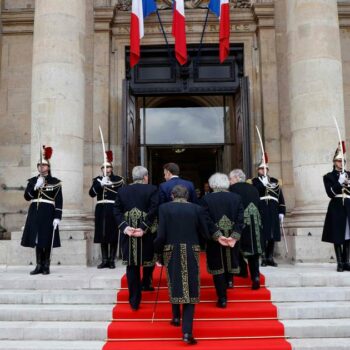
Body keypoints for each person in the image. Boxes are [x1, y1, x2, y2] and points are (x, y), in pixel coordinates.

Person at [154, 185, 212, 345]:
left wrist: (157, 251)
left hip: (170, 249)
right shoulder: (196, 209)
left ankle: (175, 317)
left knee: (174, 282)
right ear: (187, 196)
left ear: (172, 195)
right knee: (191, 290)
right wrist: (201, 244)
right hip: (191, 250)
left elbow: (161, 234)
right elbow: (205, 233)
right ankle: (187, 333)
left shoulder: (164, 208)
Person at [113, 166, 158, 310]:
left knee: (132, 266)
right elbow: (154, 209)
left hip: (129, 233)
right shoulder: (152, 189)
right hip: (146, 233)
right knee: (148, 261)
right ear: (145, 177)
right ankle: (146, 283)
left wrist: (125, 227)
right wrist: (144, 227)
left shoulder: (122, 190)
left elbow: (116, 210)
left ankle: (134, 300)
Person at [200, 173, 244, 307]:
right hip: (232, 239)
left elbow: (205, 220)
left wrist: (218, 235)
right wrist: (234, 236)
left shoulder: (206, 199)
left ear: (212, 184)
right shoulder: (236, 198)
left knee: (218, 268)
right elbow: (241, 218)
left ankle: (222, 298)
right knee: (230, 263)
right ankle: (229, 282)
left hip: (215, 240)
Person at [21, 146, 63, 275]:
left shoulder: (55, 182)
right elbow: (27, 196)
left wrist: (57, 217)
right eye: (39, 165)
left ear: (48, 167)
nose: (41, 167)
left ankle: (46, 265)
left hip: (48, 213)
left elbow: (59, 201)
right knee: (37, 239)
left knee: (47, 238)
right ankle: (39, 265)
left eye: (44, 165)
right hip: (35, 212)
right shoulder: (33, 181)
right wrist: (35, 186)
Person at [89, 151, 124, 269]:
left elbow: (122, 196)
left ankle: (112, 260)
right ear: (101, 169)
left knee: (113, 234)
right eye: (104, 167)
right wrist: (100, 185)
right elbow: (91, 194)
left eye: (108, 167)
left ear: (112, 168)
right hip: (100, 209)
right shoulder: (98, 180)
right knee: (102, 233)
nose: (106, 169)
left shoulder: (119, 180)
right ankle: (104, 260)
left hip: (112, 209)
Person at [229, 169, 263, 289]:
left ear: (237, 178)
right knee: (253, 251)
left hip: (239, 223)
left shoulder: (232, 189)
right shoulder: (253, 188)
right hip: (254, 224)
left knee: (233, 248)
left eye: (231, 178)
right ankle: (255, 277)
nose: (229, 181)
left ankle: (234, 277)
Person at [251, 154, 286, 267]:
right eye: (261, 169)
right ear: (258, 170)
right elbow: (256, 191)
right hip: (262, 209)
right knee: (264, 234)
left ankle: (270, 257)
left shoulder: (275, 181)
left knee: (272, 234)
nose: (263, 170)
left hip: (273, 209)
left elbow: (280, 197)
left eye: (265, 168)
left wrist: (281, 211)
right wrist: (264, 184)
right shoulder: (254, 181)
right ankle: (264, 257)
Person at [322, 142, 350, 272]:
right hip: (337, 207)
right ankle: (339, 262)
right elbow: (330, 193)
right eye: (338, 161)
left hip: (348, 206)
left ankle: (346, 261)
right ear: (334, 162)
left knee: (348, 235)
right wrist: (339, 183)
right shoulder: (329, 176)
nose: (340, 163)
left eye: (342, 161)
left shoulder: (349, 174)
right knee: (337, 235)